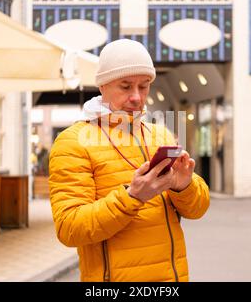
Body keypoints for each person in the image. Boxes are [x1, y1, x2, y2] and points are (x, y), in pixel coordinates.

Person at [48, 39, 210, 282]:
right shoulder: (73, 142)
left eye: (144, 86)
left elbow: (197, 210)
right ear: (102, 86)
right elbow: (69, 229)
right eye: (125, 86)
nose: (137, 97)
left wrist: (183, 186)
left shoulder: (160, 135)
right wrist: (132, 197)